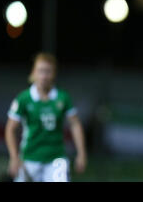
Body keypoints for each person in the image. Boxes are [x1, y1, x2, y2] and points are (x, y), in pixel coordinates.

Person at [5, 53, 87, 182]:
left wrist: (81, 153)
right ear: (33, 73)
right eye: (40, 71)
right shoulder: (24, 98)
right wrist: (14, 157)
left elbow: (75, 124)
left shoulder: (63, 98)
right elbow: (10, 128)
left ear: (54, 74)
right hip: (29, 158)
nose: (44, 76)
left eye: (48, 71)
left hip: (56, 159)